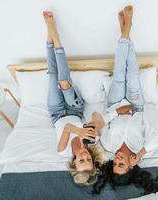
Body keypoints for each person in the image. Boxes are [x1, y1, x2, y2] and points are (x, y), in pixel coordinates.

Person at [92, 6, 158, 194]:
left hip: (116, 103)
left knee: (119, 71)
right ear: (131, 166)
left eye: (115, 163)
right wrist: (140, 154)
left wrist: (117, 111)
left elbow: (100, 123)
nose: (117, 158)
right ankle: (126, 30)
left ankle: (125, 30)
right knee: (132, 73)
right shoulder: (142, 148)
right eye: (121, 163)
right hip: (136, 105)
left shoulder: (108, 145)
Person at [43, 11, 103, 185]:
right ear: (92, 160)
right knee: (63, 82)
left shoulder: (62, 151)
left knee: (53, 75)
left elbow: (67, 128)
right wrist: (95, 127)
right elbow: (97, 117)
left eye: (81, 161)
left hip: (56, 113)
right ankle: (56, 37)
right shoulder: (92, 141)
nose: (84, 157)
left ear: (74, 163)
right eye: (88, 160)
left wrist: (80, 131)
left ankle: (49, 33)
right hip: (75, 109)